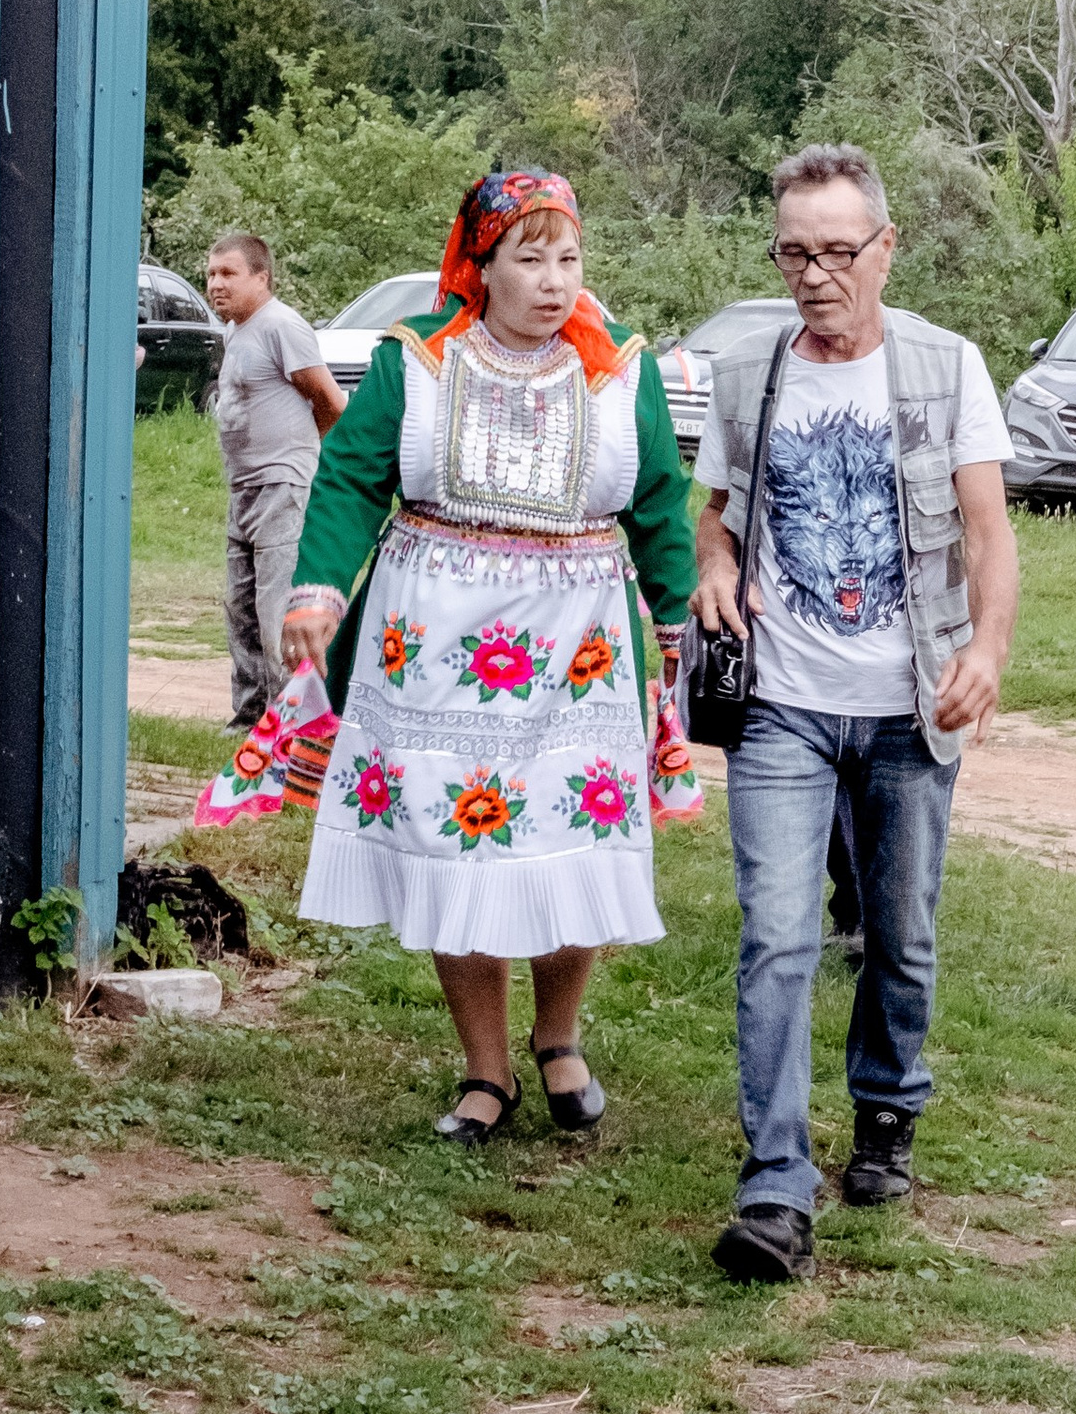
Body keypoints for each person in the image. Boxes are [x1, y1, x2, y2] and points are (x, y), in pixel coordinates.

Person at [276, 170, 697, 1145]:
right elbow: (349, 478)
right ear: (482, 265)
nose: (554, 281)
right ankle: (486, 1071)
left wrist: (672, 624)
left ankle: (559, 1038)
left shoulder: (614, 370)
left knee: (568, 836)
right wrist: (318, 586)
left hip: (576, 654)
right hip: (433, 650)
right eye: (529, 258)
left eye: (569, 258)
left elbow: (659, 503)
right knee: (454, 843)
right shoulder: (414, 362)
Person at [691, 144, 1019, 1284]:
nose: (816, 274)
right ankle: (775, 1187)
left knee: (899, 933)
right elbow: (716, 511)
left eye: (839, 250)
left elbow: (987, 532)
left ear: (887, 248)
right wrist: (714, 564)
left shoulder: (945, 366)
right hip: (782, 700)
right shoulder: (746, 371)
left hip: (908, 705)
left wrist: (986, 649)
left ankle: (887, 1108)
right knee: (777, 936)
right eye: (795, 252)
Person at [205, 232, 344, 728]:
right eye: (212, 274)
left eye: (229, 274)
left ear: (261, 278)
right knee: (239, 606)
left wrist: (304, 456)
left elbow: (330, 401)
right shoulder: (235, 330)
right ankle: (248, 718)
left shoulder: (282, 326)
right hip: (242, 487)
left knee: (274, 610)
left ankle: (290, 724)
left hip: (281, 486)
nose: (216, 284)